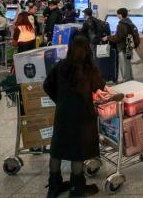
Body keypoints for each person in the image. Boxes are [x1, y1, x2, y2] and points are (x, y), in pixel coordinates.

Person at [43, 36, 105, 197]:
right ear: (87, 50)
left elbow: (47, 85)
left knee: (57, 149)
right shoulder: (89, 69)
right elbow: (100, 86)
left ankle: (54, 186)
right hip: (82, 115)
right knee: (77, 151)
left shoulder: (60, 66)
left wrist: (60, 100)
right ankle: (76, 188)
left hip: (63, 114)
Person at [104, 8, 140, 82]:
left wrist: (108, 37)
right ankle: (130, 78)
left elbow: (118, 37)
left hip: (123, 46)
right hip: (129, 44)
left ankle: (126, 79)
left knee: (124, 63)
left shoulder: (121, 24)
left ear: (120, 14)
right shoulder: (130, 22)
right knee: (128, 62)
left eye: (117, 14)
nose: (117, 15)